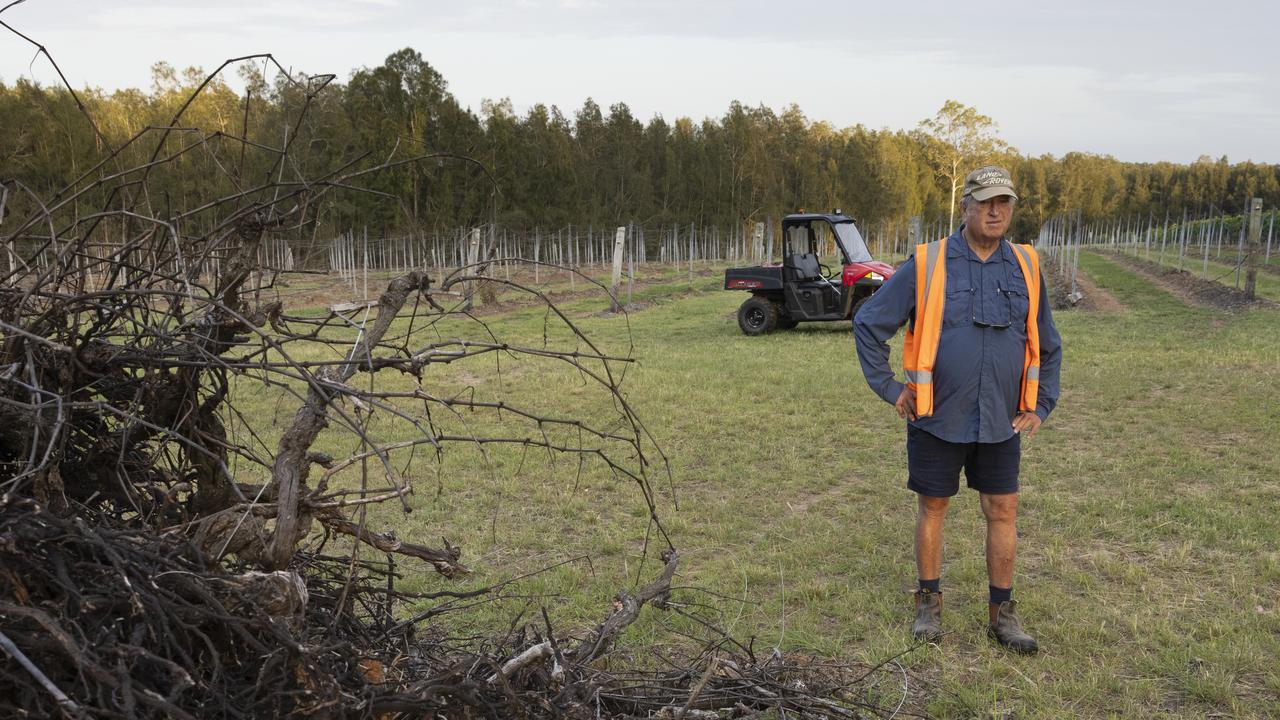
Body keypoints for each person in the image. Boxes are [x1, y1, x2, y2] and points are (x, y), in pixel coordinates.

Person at [852, 166, 1062, 653]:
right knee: (934, 506)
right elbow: (868, 323)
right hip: (936, 417)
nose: (995, 211)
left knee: (1002, 509)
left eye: (1004, 202)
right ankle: (929, 603)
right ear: (965, 207)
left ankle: (1003, 616)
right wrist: (889, 388)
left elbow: (1048, 344)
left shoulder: (1027, 266)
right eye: (985, 202)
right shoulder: (927, 263)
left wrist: (1042, 406)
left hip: (1001, 421)